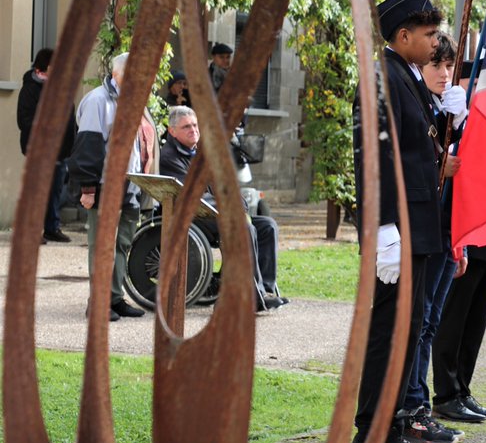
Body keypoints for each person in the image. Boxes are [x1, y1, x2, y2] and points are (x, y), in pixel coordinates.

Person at [350, 0, 446, 443]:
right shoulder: (382, 79)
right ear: (403, 35)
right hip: (398, 229)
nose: (437, 41)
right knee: (388, 336)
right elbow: (375, 159)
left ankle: (391, 431)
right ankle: (366, 440)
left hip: (420, 224)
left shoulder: (406, 76)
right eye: (429, 34)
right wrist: (384, 226)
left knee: (408, 339)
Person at [395, 32, 468, 443]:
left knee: (431, 322)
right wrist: (445, 156)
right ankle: (412, 408)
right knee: (418, 322)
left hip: (446, 229)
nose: (443, 74)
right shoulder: (417, 104)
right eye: (435, 66)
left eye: (447, 67)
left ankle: (418, 407)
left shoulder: (443, 107)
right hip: (422, 229)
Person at [158, 105, 287, 312]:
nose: (194, 130)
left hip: (217, 212)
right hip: (195, 216)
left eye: (195, 125)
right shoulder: (170, 158)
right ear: (172, 131)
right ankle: (252, 295)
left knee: (267, 226)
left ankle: (266, 289)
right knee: (245, 229)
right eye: (186, 127)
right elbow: (193, 196)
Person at [66, 52, 158, 321]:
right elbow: (88, 148)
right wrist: (87, 189)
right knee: (103, 246)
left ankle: (114, 298)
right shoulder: (98, 101)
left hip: (130, 186)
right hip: (105, 186)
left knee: (122, 245)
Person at [431, 238, 486, 422]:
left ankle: (461, 392)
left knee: (475, 323)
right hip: (470, 239)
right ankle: (447, 396)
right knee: (453, 320)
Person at [17, 47, 77, 244]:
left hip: (60, 150)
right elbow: (24, 119)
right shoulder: (31, 87)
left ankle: (51, 228)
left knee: (55, 190)